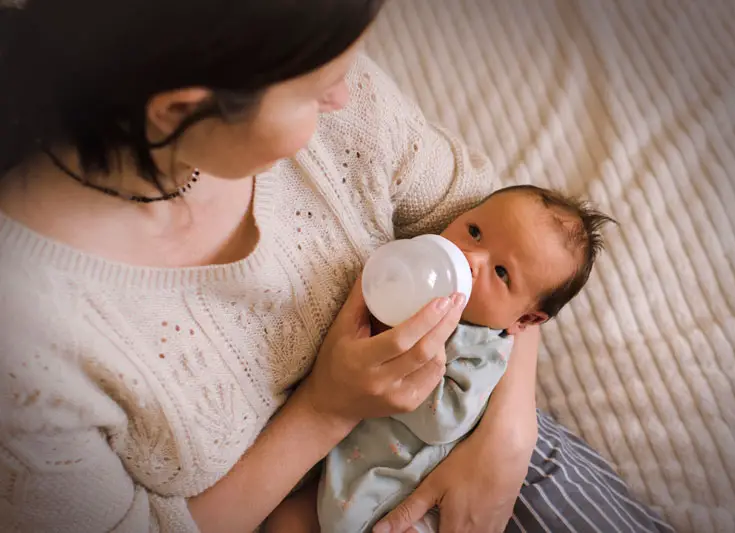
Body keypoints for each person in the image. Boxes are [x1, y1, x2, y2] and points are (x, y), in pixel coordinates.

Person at [0, 1, 673, 533]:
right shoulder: (28, 345)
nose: (346, 97)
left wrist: (510, 429)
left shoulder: (328, 81)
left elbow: (504, 227)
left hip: (490, 444)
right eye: (319, 88)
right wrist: (324, 410)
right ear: (181, 108)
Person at [264, 185, 616, 532]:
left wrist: (410, 360)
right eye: (475, 231)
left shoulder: (483, 350)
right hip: (343, 480)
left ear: (523, 320)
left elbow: (445, 419)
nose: (472, 259)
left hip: (406, 496)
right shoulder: (416, 288)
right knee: (284, 522)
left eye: (502, 272)